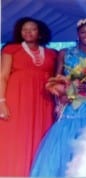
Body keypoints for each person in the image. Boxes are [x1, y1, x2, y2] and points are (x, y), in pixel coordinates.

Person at [30, 18, 86, 177]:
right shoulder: (65, 52)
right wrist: (63, 93)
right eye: (83, 32)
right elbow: (58, 77)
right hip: (71, 98)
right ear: (78, 34)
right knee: (66, 132)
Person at [0, 17, 57, 176]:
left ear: (40, 33)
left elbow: (56, 79)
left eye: (32, 29)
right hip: (17, 98)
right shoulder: (11, 49)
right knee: (16, 136)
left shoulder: (52, 54)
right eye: (24, 29)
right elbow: (2, 76)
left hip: (43, 100)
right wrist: (1, 101)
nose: (28, 32)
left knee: (41, 135)